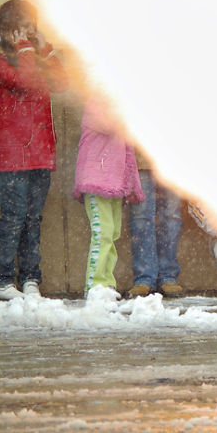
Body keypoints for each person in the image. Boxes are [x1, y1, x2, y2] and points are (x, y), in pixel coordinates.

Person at [0, 0, 69, 300]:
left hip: (39, 153)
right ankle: (1, 281)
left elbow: (61, 83)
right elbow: (25, 81)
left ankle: (31, 278)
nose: (30, 31)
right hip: (10, 156)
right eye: (25, 25)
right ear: (8, 27)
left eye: (32, 25)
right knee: (14, 217)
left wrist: (46, 49)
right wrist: (27, 51)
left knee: (33, 218)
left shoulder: (31, 54)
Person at [72, 95, 144, 298]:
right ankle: (94, 284)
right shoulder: (96, 105)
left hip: (114, 182)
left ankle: (106, 282)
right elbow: (112, 123)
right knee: (102, 232)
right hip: (96, 181)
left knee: (112, 233)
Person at [127, 151, 184, 298]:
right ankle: (144, 277)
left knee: (171, 216)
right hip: (140, 152)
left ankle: (168, 276)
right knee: (141, 216)